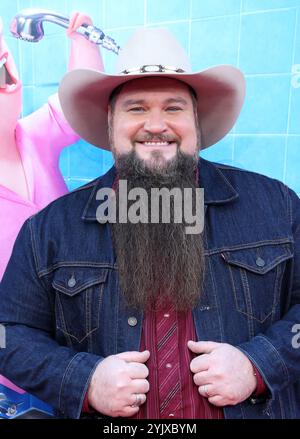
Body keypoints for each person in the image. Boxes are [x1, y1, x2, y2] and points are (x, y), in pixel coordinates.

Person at [0, 27, 300, 420]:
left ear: (196, 119)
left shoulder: (275, 205)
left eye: (173, 108)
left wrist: (260, 364)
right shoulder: (49, 231)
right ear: (110, 121)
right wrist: (83, 380)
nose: (155, 124)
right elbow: (9, 337)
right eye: (136, 108)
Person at [0, 11, 104, 415]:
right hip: (14, 361)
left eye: (4, 71)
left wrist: (82, 42)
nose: (6, 86)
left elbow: (79, 102)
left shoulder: (33, 136)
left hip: (71, 340)